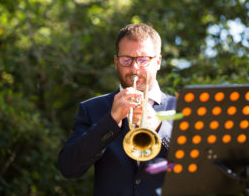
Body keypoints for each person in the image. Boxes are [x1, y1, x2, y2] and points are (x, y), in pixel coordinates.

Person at [58, 23, 176, 196]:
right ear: (116, 62)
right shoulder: (92, 108)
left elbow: (201, 169)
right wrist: (110, 121)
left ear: (157, 62)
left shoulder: (181, 108)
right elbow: (68, 167)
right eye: (126, 60)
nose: (134, 68)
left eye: (143, 60)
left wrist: (160, 128)